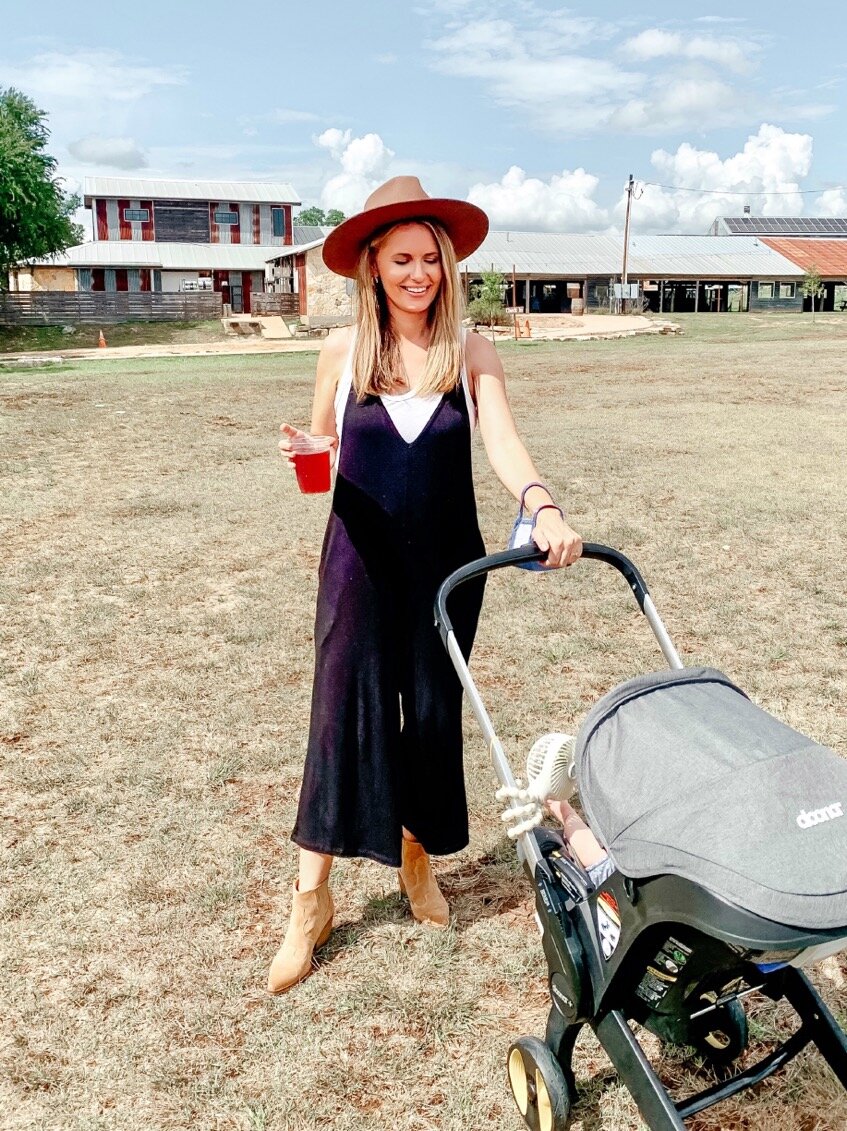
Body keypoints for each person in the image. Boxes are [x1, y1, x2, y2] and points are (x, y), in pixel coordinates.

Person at [268, 176, 583, 994]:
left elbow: (503, 444)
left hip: (447, 564)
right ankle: (311, 900)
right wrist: (309, 444)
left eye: (429, 259)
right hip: (357, 562)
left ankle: (415, 861)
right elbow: (326, 449)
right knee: (339, 716)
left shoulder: (471, 350)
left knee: (432, 714)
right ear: (370, 265)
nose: (418, 274)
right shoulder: (341, 352)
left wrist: (541, 504)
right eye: (401, 258)